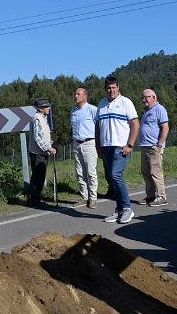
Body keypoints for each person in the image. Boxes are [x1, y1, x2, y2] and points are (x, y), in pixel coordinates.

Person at [96, 75, 139, 224]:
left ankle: (127, 208)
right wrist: (98, 146)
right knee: (111, 178)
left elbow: (135, 124)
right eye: (108, 88)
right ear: (105, 89)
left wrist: (130, 145)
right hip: (106, 146)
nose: (111, 90)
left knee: (116, 175)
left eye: (114, 87)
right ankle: (119, 209)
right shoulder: (101, 104)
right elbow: (97, 127)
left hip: (120, 146)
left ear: (118, 87)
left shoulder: (126, 102)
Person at [137, 89, 169, 206]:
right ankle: (150, 196)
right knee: (146, 172)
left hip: (153, 146)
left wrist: (159, 144)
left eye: (147, 97)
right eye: (143, 97)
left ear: (154, 98)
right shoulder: (147, 111)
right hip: (145, 146)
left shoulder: (159, 109)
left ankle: (161, 197)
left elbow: (165, 127)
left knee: (156, 172)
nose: (144, 99)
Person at [70, 87, 99, 208]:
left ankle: (93, 198)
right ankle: (84, 196)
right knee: (79, 172)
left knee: (91, 172)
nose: (75, 96)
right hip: (77, 143)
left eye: (78, 94)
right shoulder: (73, 110)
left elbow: (99, 126)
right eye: (75, 94)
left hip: (89, 143)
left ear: (85, 96)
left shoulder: (92, 109)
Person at [27, 97, 57, 207]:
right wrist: (47, 148)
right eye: (46, 106)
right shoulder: (37, 118)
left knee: (40, 176)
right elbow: (37, 137)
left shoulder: (43, 118)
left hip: (42, 152)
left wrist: (49, 145)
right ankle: (33, 199)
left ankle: (36, 198)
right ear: (40, 108)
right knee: (37, 176)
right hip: (37, 152)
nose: (48, 108)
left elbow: (44, 135)